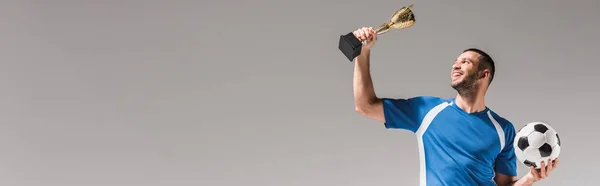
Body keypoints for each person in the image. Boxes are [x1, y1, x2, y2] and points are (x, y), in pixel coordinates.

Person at [351, 27, 559, 186]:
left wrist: (530, 178)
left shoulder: (503, 129)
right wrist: (362, 53)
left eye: (465, 62)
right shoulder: (427, 111)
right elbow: (365, 105)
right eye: (456, 61)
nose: (455, 65)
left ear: (483, 74)